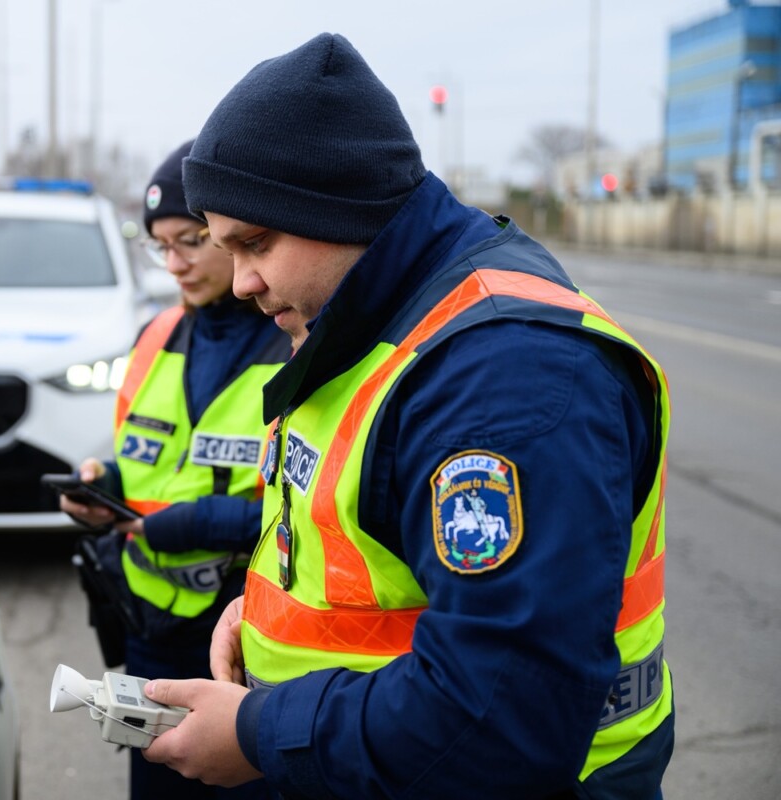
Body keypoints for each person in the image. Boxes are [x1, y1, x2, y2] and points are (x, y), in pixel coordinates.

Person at [141, 33, 674, 799]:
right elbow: (370, 566)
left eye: (255, 243)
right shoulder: (370, 319)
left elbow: (502, 717)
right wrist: (261, 623)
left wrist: (259, 731)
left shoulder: (503, 376)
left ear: (335, 204)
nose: (246, 281)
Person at [60, 139, 291, 800]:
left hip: (243, 631)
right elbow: (142, 463)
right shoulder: (154, 335)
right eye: (158, 245)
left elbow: (319, 503)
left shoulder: (295, 337)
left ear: (233, 232)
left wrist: (211, 523)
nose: (174, 263)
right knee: (156, 783)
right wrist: (105, 491)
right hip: (148, 623)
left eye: (190, 240)